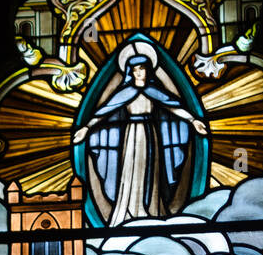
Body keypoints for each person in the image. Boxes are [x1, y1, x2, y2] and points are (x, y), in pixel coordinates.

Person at [73, 42, 208, 226]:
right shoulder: (125, 93)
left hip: (150, 134)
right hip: (132, 134)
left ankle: (152, 211)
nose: (139, 73)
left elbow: (173, 106)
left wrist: (193, 121)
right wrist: (86, 128)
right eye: (135, 70)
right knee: (131, 169)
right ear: (130, 72)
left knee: (151, 171)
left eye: (142, 69)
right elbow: (104, 112)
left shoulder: (154, 91)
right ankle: (129, 211)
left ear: (147, 71)